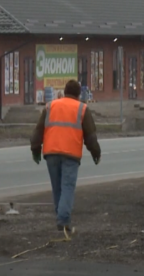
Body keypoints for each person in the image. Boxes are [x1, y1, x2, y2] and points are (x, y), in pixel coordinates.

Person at [30, 80, 101, 234]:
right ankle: (63, 221)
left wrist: (35, 149)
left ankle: (61, 218)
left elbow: (38, 130)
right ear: (78, 94)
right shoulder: (82, 108)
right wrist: (96, 153)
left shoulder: (50, 106)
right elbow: (90, 136)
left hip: (51, 153)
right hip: (70, 154)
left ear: (64, 91)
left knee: (57, 189)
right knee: (67, 187)